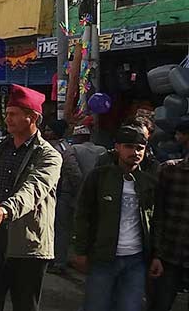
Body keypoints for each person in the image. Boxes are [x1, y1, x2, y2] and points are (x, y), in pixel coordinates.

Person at [0, 84, 61, 311]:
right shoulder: (1, 148)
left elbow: (33, 189)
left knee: (25, 305)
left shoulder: (49, 156)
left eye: (14, 114)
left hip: (27, 246)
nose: (7, 119)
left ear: (33, 118)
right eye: (7, 113)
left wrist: (6, 210)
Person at [74, 126, 155, 311]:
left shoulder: (148, 182)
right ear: (117, 147)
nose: (135, 152)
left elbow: (155, 221)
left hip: (136, 260)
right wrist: (80, 251)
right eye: (129, 147)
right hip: (103, 257)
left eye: (140, 148)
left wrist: (156, 256)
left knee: (130, 307)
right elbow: (83, 215)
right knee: (96, 306)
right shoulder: (99, 177)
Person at [149, 148, 189, 311]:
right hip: (169, 255)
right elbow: (156, 214)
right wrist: (156, 254)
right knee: (159, 305)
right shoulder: (169, 170)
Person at [42, 119, 83, 274]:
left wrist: (78, 194)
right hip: (45, 195)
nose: (46, 133)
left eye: (49, 130)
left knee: (60, 230)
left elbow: (74, 173)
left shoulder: (63, 149)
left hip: (61, 195)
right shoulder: (44, 146)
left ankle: (58, 262)